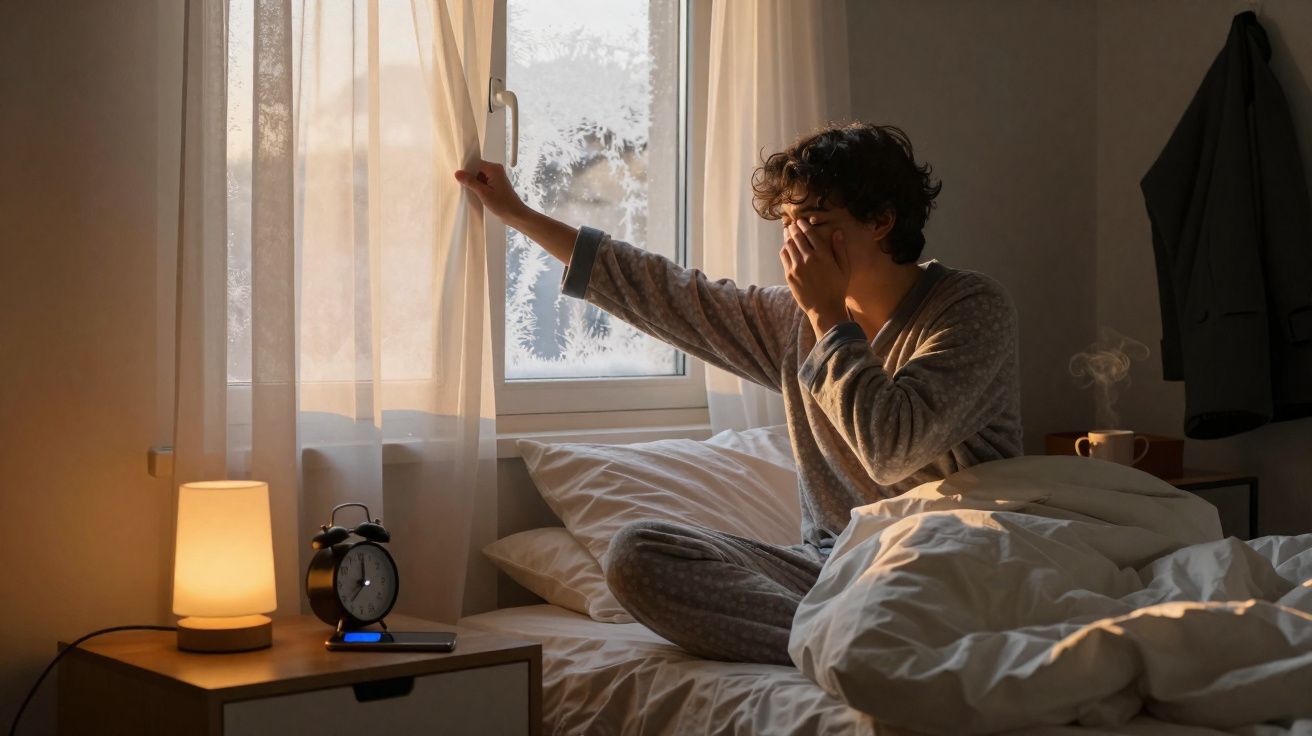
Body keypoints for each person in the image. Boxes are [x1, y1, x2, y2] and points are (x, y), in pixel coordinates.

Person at [455, 121, 1023, 666]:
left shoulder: (969, 308)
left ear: (880, 220)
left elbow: (892, 446)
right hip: (836, 567)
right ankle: (854, 644)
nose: (796, 241)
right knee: (637, 554)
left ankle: (868, 639)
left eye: (814, 221)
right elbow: (667, 293)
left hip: (948, 558)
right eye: (787, 223)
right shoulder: (792, 322)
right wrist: (518, 214)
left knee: (932, 576)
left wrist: (828, 318)